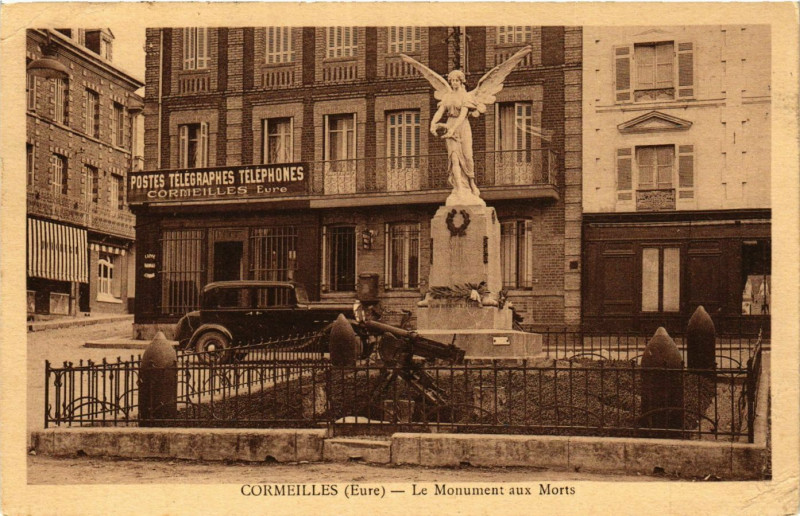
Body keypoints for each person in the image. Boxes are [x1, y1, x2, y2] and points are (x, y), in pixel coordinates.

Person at [429, 70, 482, 205]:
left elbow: (463, 115)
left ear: (461, 81)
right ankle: (459, 189)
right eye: (452, 80)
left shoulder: (466, 96)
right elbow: (440, 111)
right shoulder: (447, 96)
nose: (454, 83)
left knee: (467, 156)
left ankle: (471, 183)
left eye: (456, 80)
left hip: (462, 126)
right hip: (450, 124)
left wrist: (453, 129)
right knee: (454, 158)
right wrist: (433, 123)